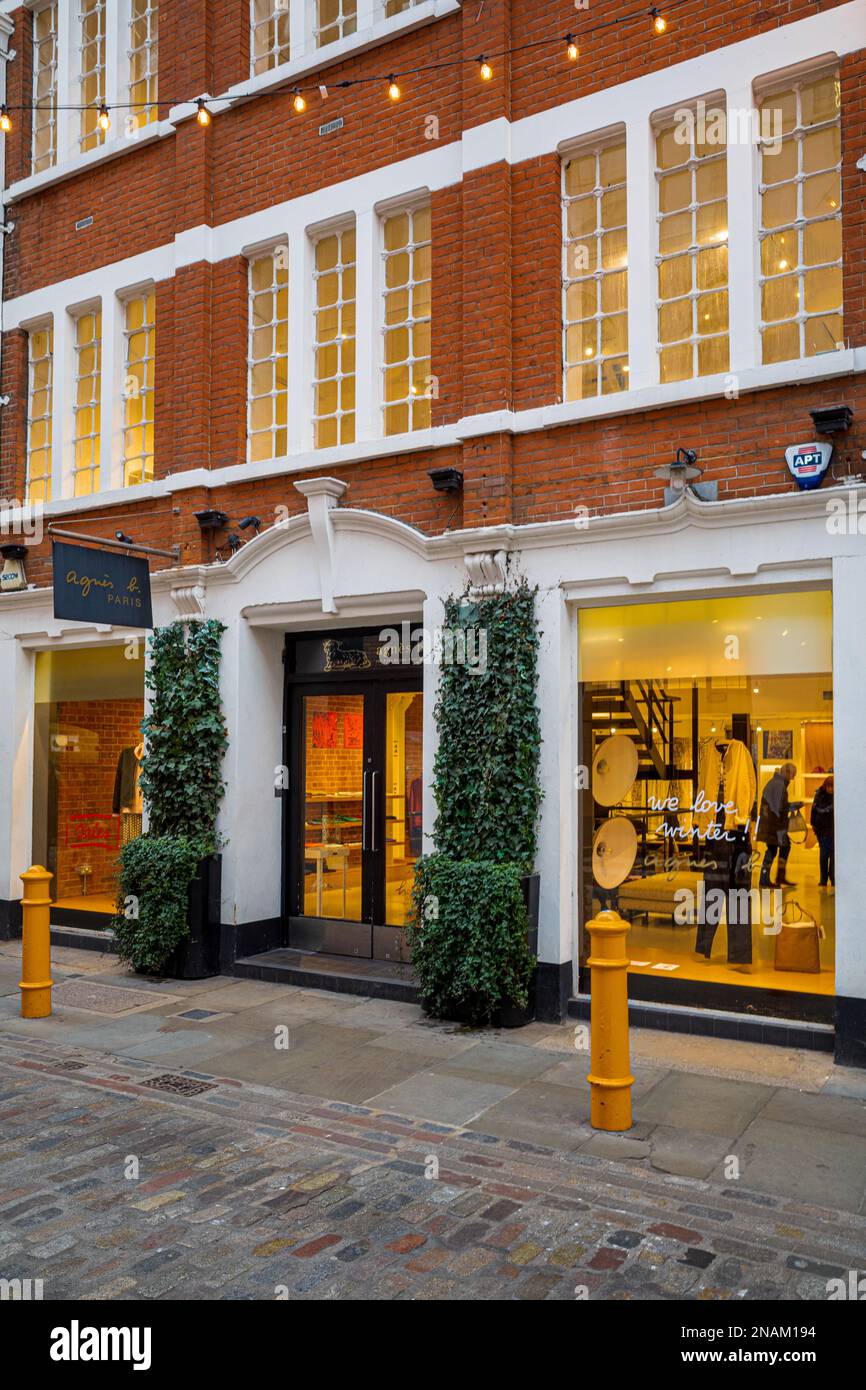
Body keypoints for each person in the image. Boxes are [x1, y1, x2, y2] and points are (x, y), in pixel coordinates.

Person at [756, 761, 800, 888]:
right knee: (773, 851)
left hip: (771, 824)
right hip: (775, 826)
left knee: (779, 849)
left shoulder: (773, 783)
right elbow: (780, 807)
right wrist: (794, 806)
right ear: (786, 772)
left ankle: (775, 877)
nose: (793, 778)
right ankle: (766, 879)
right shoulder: (779, 785)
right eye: (792, 774)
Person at [810, 774, 834, 888]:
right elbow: (813, 812)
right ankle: (823, 879)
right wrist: (814, 825)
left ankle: (833, 878)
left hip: (832, 831)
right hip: (823, 831)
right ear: (825, 786)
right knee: (824, 856)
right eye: (829, 786)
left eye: (832, 786)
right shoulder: (819, 795)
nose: (830, 789)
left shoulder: (836, 796)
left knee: (833, 856)